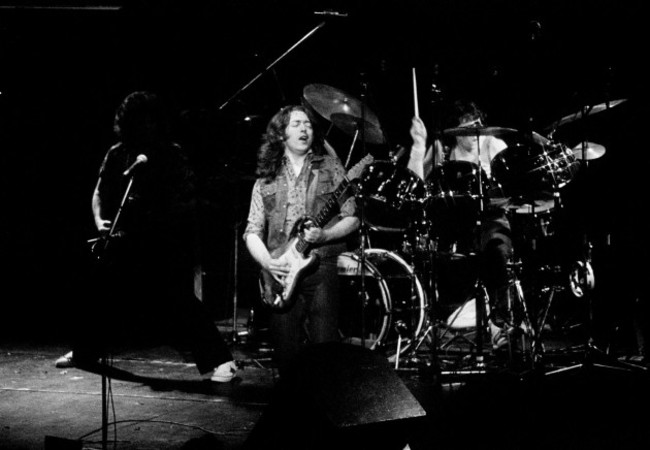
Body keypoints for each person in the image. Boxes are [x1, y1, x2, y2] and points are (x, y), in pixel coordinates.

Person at [55, 91, 237, 382]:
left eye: (150, 121)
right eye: (139, 121)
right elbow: (99, 192)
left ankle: (222, 362)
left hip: (163, 241)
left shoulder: (170, 153)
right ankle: (84, 353)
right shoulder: (118, 153)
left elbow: (188, 197)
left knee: (181, 300)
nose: (146, 127)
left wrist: (165, 219)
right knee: (99, 293)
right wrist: (100, 220)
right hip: (124, 237)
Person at [243, 104, 360, 375]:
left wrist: (326, 234)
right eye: (296, 124)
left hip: (322, 265)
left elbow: (353, 217)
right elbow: (252, 231)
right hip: (280, 273)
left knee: (325, 350)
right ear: (280, 134)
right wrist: (268, 264)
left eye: (307, 124)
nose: (304, 129)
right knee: (286, 355)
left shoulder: (330, 167)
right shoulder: (265, 179)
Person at [407, 99, 518, 350]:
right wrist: (417, 146)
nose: (475, 131)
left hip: (490, 218)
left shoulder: (492, 143)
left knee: (497, 250)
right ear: (456, 132)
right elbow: (414, 182)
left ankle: (501, 325)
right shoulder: (442, 149)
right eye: (468, 127)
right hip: (455, 223)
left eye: (478, 123)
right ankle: (445, 319)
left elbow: (510, 185)